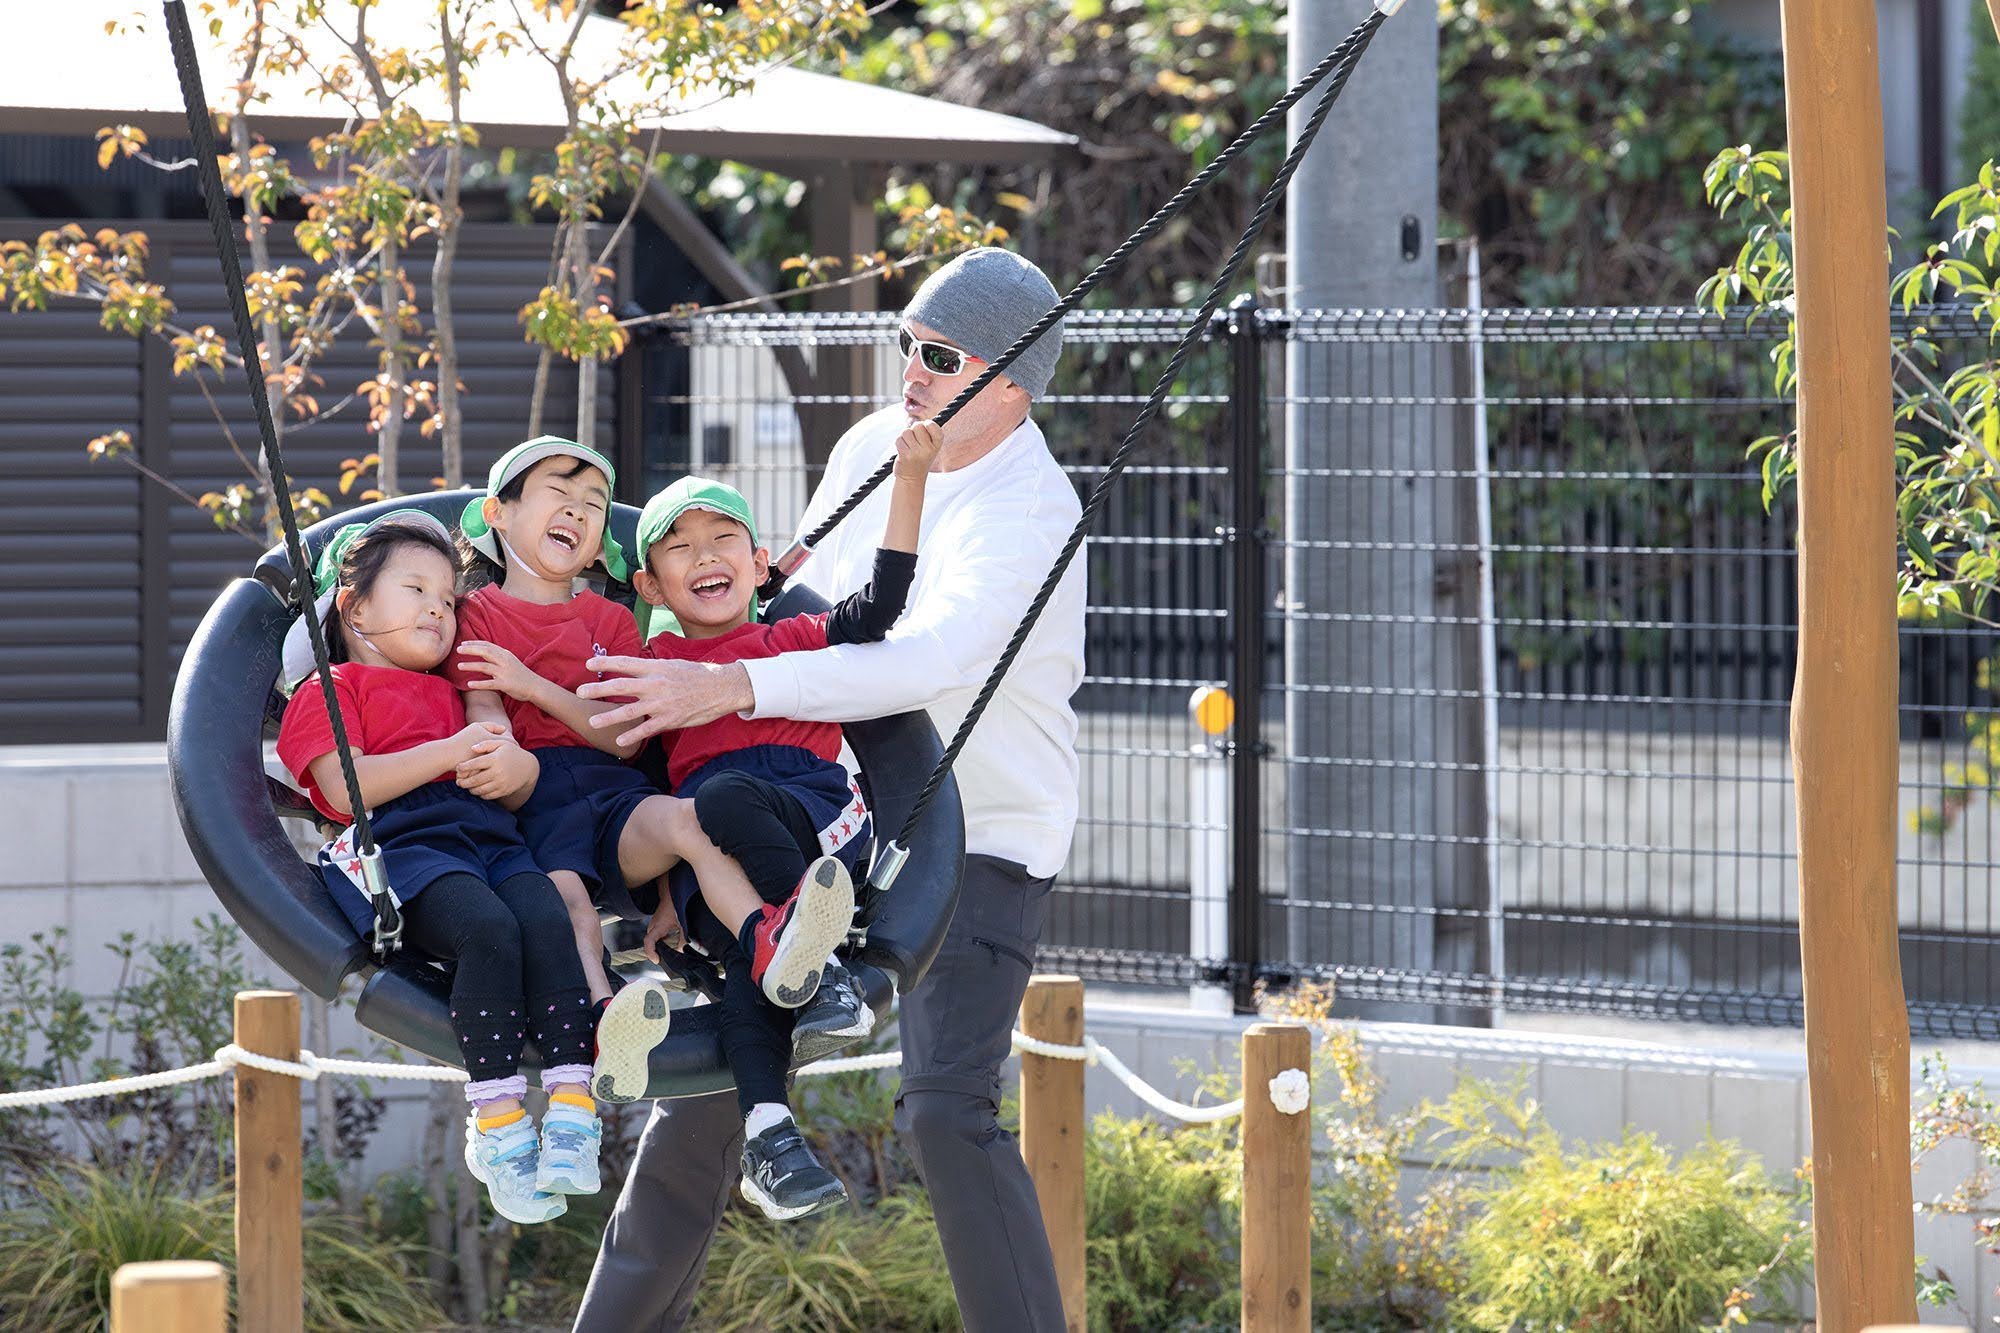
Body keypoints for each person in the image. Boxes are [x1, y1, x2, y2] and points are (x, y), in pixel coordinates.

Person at [572, 246, 1084, 1332]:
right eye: (904, 342)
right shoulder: (869, 448)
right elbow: (805, 609)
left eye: (939, 356)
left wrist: (719, 687)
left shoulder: (1029, 511)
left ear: (1012, 387)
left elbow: (919, 660)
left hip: (982, 836)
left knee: (946, 1109)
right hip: (823, 823)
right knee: (703, 1091)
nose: (910, 369)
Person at [441, 438, 851, 1100]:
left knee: (694, 820)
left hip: (616, 793)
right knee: (568, 903)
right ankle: (606, 1013)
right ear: (497, 511)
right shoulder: (477, 613)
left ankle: (769, 939)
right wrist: (503, 718)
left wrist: (535, 687)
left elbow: (628, 741)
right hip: (537, 803)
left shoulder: (612, 620)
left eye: (593, 504)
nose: (576, 511)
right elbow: (487, 718)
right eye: (558, 495)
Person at [273, 510, 650, 1224]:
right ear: (354, 608)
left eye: (448, 600)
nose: (438, 610)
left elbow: (511, 782)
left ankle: (572, 1112)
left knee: (545, 918)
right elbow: (339, 782)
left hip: (492, 841)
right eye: (415, 590)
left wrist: (514, 764)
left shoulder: (461, 696)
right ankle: (500, 1125)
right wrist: (451, 753)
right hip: (405, 850)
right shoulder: (335, 686)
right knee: (487, 928)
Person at [619, 432, 938, 1217]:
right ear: (651, 585)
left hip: (811, 820)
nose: (705, 554)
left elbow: (881, 606)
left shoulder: (785, 639)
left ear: (760, 564)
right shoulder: (655, 672)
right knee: (742, 964)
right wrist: (663, 900)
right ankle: (771, 1137)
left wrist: (910, 480)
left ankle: (813, 957)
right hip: (714, 869)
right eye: (680, 547)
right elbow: (651, 793)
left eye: (723, 537)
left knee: (724, 797)